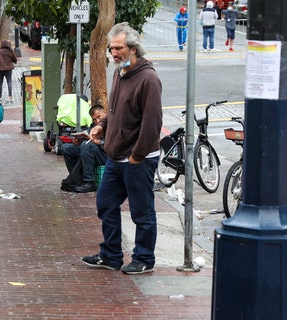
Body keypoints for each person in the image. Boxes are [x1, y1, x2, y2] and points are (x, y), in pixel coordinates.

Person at [81, 22, 162, 275]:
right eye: (111, 48)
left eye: (119, 48)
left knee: (142, 211)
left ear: (134, 49)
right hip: (116, 156)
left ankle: (145, 258)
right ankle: (111, 255)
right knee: (105, 202)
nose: (114, 53)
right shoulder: (119, 72)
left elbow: (151, 124)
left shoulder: (148, 79)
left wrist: (136, 156)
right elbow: (115, 111)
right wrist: (102, 126)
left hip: (138, 158)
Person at [73, 105, 109, 193]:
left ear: (105, 112)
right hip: (93, 152)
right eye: (94, 119)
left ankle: (89, 181)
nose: (97, 121)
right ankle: (77, 179)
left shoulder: (112, 124)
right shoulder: (93, 126)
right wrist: (78, 142)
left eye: (99, 117)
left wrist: (100, 142)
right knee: (67, 148)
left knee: (86, 145)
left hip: (107, 155)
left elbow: (117, 143)